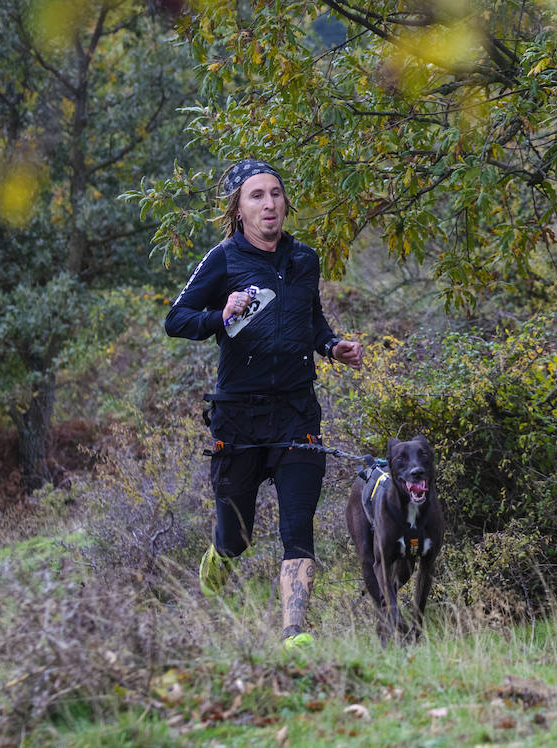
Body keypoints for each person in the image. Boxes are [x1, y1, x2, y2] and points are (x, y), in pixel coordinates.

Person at [164, 159, 363, 648]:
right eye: (257, 195)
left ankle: (295, 635)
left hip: (297, 412)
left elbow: (311, 320)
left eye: (276, 193)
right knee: (237, 536)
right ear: (238, 207)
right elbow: (176, 319)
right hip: (238, 415)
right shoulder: (224, 259)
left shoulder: (304, 259)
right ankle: (217, 565)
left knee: (298, 524)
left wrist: (332, 345)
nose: (269, 203)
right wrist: (220, 314)